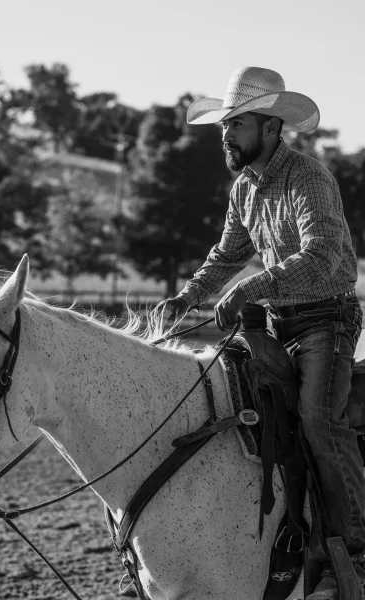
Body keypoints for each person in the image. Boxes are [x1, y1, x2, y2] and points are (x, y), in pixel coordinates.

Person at [157, 66, 365, 599]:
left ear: (271, 128)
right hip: (277, 324)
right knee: (230, 405)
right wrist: (189, 297)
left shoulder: (308, 176)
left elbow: (321, 254)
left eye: (238, 124)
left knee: (319, 421)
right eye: (225, 125)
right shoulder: (244, 188)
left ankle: (358, 550)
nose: (226, 135)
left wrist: (250, 290)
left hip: (328, 320)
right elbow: (227, 254)